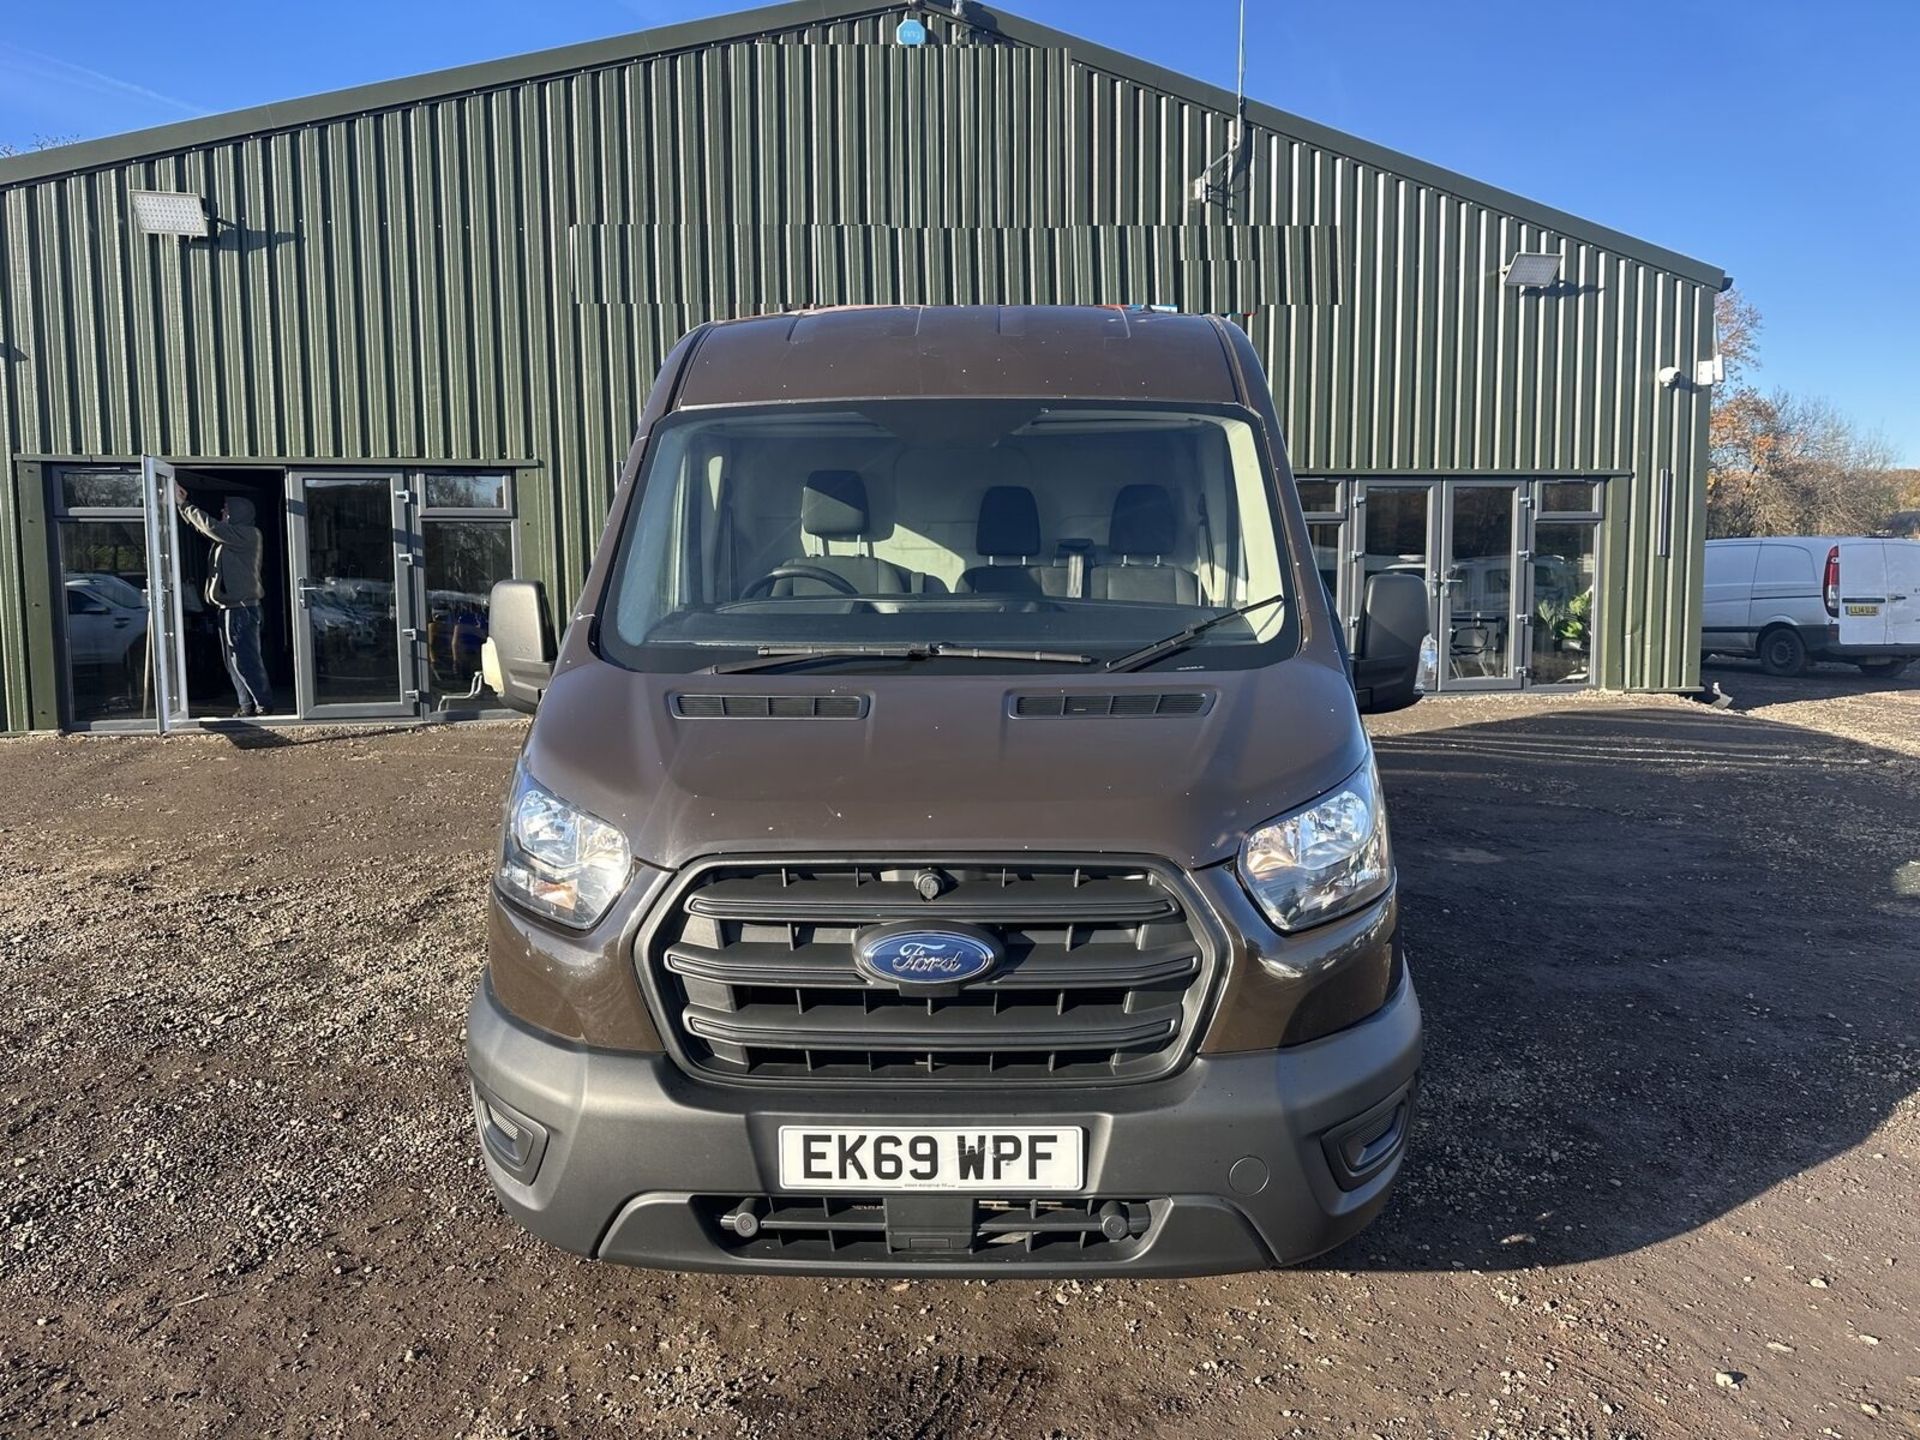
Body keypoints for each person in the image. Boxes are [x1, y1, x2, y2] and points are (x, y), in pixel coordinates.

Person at [175, 485, 274, 717]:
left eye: (227, 509)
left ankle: (263, 704)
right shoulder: (228, 537)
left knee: (244, 659)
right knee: (232, 662)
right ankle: (247, 706)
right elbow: (207, 529)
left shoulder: (248, 535)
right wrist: (182, 507)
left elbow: (211, 527)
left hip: (241, 610)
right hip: (228, 609)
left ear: (238, 513)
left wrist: (184, 505)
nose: (222, 511)